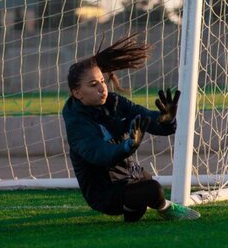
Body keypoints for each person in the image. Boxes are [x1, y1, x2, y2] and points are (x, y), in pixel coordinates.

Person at [62, 34, 200, 222]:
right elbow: (98, 153)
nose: (102, 88)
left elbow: (142, 116)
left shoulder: (114, 102)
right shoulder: (77, 123)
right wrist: (127, 146)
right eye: (93, 85)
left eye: (102, 81)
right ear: (77, 93)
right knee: (154, 190)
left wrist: (163, 120)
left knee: (148, 185)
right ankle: (167, 208)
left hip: (127, 174)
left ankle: (133, 209)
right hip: (103, 191)